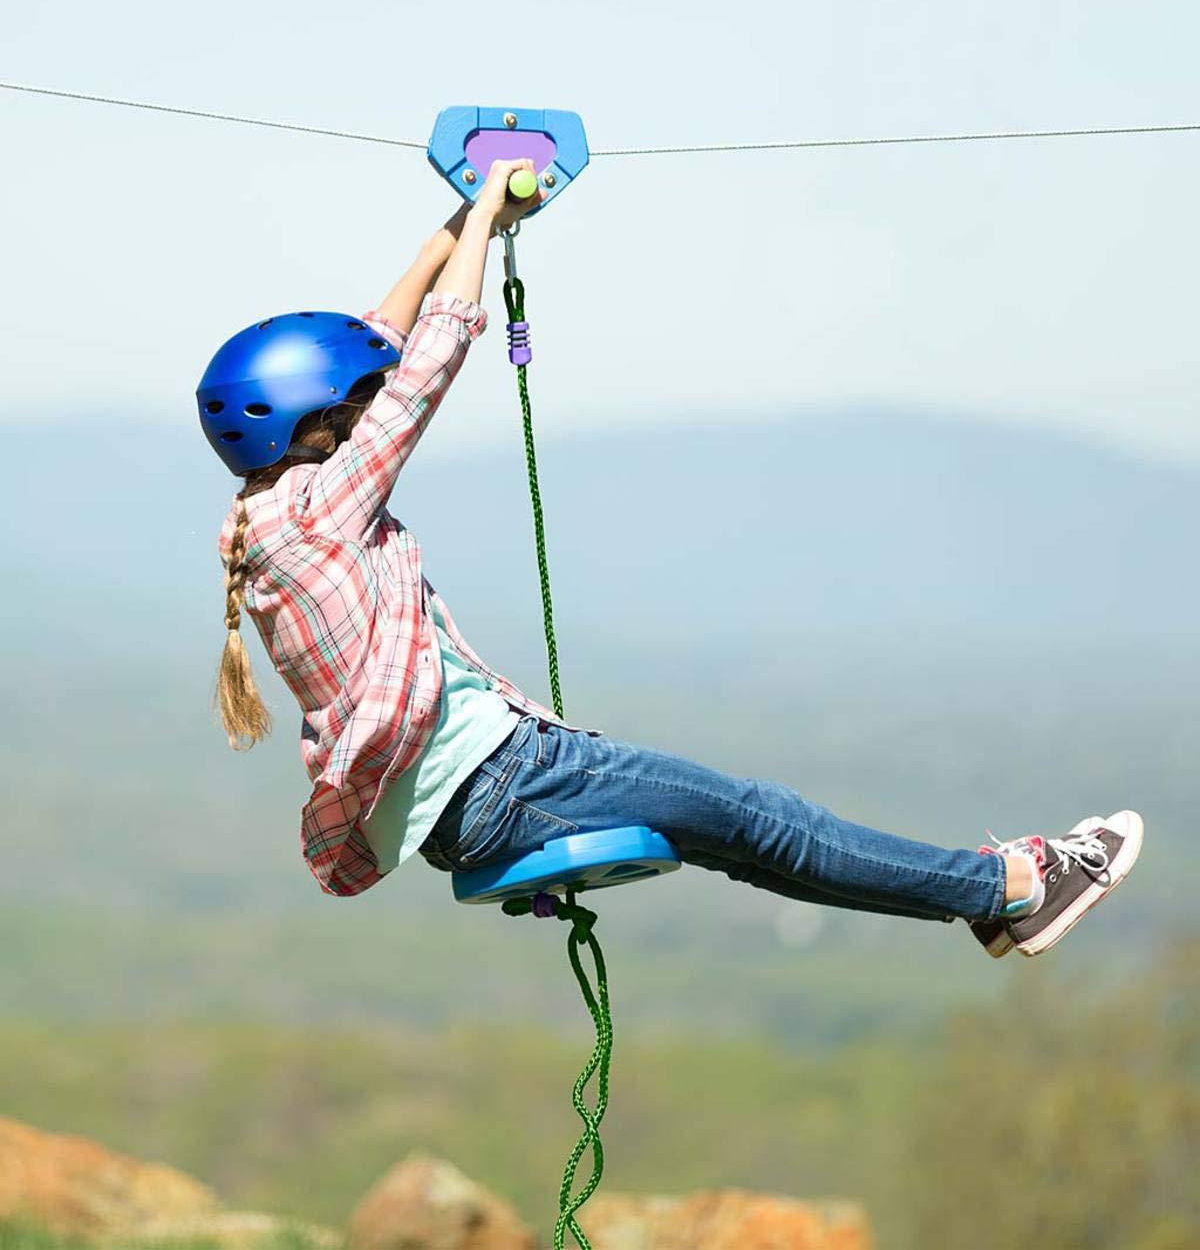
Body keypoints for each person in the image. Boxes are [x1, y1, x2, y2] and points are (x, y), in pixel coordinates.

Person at [197, 157, 1143, 959]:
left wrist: (448, 231)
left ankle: (988, 901)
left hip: (474, 800)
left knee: (747, 834)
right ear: (314, 427)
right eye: (349, 409)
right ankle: (1014, 886)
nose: (368, 411)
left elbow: (377, 345)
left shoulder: (269, 517)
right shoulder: (322, 509)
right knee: (762, 816)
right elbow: (425, 363)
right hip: (508, 779)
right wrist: (486, 215)